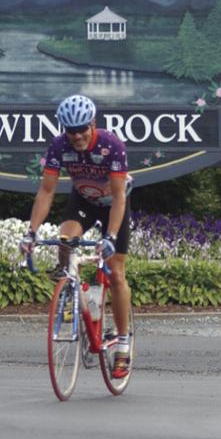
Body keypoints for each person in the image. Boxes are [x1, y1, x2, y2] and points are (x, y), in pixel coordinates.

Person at [19, 94, 133, 378]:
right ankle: (74, 292)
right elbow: (46, 192)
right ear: (63, 130)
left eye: (82, 128)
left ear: (93, 123)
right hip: (83, 200)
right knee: (65, 239)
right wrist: (31, 233)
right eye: (71, 131)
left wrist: (111, 236)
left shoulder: (112, 146)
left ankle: (123, 342)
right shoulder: (59, 147)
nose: (78, 136)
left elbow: (119, 198)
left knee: (117, 273)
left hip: (113, 205)